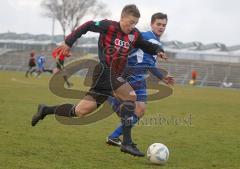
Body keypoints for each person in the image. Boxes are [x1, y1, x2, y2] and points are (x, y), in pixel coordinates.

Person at [31, 4, 167, 157]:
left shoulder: (134, 35)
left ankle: (45, 110)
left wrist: (158, 51)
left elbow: (146, 45)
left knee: (80, 111)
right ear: (122, 18)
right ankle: (127, 144)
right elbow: (87, 25)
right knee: (131, 96)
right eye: (130, 22)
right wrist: (68, 42)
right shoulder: (108, 26)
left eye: (135, 23)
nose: (132, 26)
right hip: (104, 72)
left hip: (112, 77)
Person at [106, 12, 174, 146]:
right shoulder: (149, 38)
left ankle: (114, 136)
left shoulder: (155, 40)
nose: (161, 27)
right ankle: (111, 98)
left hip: (139, 77)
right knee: (132, 109)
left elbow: (149, 63)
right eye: (158, 24)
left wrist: (162, 77)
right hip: (130, 74)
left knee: (140, 110)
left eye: (164, 25)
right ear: (152, 24)